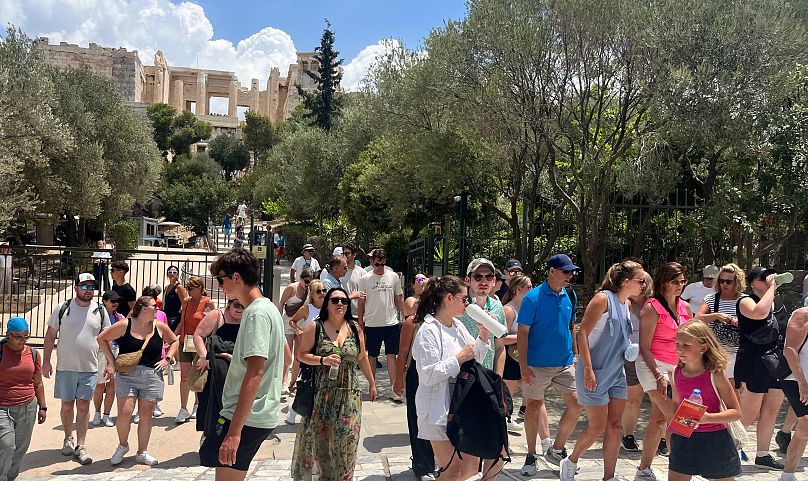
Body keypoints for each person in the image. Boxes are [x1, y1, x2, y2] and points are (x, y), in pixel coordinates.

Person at [200, 248, 285, 481]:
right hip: (257, 412)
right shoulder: (269, 308)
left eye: (221, 279)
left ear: (236, 277)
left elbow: (255, 372)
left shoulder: (256, 313)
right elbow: (281, 358)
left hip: (248, 416)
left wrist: (234, 432)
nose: (220, 286)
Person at [559, 260, 646, 481]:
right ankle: (571, 460)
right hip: (595, 373)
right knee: (596, 427)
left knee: (615, 426)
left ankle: (609, 476)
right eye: (641, 280)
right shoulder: (602, 299)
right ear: (626, 281)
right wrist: (588, 368)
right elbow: (582, 333)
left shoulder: (626, 305)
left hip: (616, 373)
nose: (644, 285)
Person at [411, 275, 492, 481]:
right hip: (437, 408)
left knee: (467, 466)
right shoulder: (428, 330)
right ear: (449, 298)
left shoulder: (457, 325)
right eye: (464, 299)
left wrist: (483, 334)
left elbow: (475, 357)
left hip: (460, 405)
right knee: (451, 469)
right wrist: (459, 358)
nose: (468, 303)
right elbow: (428, 375)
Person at [291, 287, 377, 480]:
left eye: (344, 301)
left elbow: (362, 357)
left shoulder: (355, 328)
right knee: (323, 447)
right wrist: (323, 360)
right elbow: (301, 355)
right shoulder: (315, 327)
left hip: (349, 396)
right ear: (327, 304)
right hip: (323, 396)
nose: (340, 304)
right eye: (335, 300)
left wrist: (372, 383)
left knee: (348, 444)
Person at [517, 254, 582, 475]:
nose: (570, 275)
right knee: (533, 407)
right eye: (566, 271)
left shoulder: (570, 295)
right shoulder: (532, 298)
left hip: (564, 363)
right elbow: (522, 334)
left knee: (577, 404)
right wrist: (524, 366)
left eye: (572, 272)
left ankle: (556, 448)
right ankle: (531, 455)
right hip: (537, 365)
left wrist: (576, 354)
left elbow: (571, 326)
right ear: (552, 271)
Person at [655, 320, 742, 481]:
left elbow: (736, 412)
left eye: (686, 345)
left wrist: (708, 418)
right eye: (677, 344)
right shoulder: (675, 373)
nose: (679, 349)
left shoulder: (715, 375)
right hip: (683, 437)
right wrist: (670, 433)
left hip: (715, 439)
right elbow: (676, 407)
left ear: (703, 347)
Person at [98, 296, 179, 466]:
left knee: (146, 415)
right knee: (124, 413)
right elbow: (102, 338)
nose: (157, 309)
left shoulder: (159, 326)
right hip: (127, 375)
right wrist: (111, 362)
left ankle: (142, 451)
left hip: (152, 375)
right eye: (154, 306)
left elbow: (174, 341)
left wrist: (168, 358)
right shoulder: (125, 325)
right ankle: (123, 445)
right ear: (143, 308)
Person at [42, 273, 111, 465]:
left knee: (84, 406)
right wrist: (46, 361)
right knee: (66, 405)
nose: (89, 290)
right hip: (66, 367)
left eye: (92, 287)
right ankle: (68, 437)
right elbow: (50, 336)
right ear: (76, 287)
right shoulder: (62, 308)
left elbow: (107, 338)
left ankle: (81, 445)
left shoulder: (100, 310)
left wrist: (110, 363)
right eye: (85, 286)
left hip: (90, 367)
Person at [635, 262, 692, 480]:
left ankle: (643, 469)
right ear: (663, 282)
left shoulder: (685, 307)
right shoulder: (652, 307)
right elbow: (644, 347)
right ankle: (681, 468)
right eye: (674, 281)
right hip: (652, 366)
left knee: (659, 420)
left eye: (682, 281)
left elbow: (690, 339)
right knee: (676, 418)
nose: (680, 285)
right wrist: (659, 375)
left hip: (677, 367)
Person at [735, 266, 786, 469]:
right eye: (762, 277)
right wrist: (772, 287)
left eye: (769, 276)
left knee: (771, 411)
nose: (768, 279)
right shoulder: (746, 301)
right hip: (754, 361)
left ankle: (763, 455)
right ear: (752, 283)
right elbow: (759, 313)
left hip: (776, 362)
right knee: (749, 413)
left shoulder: (778, 303)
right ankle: (727, 449)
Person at [392, 273, 435, 479]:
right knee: (417, 419)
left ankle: (437, 459)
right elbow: (402, 352)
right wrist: (398, 380)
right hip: (416, 374)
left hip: (439, 374)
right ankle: (422, 464)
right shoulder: (412, 322)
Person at [0, 317, 46, 481]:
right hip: (3, 408)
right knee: (7, 445)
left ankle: (11, 477)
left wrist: (43, 407)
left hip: (28, 407)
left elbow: (38, 382)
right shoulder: (1, 352)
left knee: (20, 448)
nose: (23, 341)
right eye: (18, 337)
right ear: (8, 335)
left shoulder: (33, 354)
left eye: (26, 336)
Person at [192, 298, 244, 437]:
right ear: (229, 305)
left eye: (243, 306)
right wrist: (204, 356)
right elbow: (198, 335)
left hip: (237, 369)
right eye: (236, 305)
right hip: (214, 370)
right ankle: (207, 437)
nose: (240, 309)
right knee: (210, 405)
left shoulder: (249, 318)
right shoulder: (217, 315)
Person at [358, 249, 405, 401]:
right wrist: (360, 322)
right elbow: (361, 302)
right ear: (372, 262)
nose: (380, 267)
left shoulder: (393, 277)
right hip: (372, 324)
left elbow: (399, 298)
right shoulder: (365, 279)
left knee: (392, 355)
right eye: (377, 264)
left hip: (391, 323)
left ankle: (394, 389)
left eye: (382, 264)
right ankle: (373, 388)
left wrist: (404, 316)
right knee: (372, 356)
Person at [695, 263, 745, 386]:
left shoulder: (744, 300)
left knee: (734, 390)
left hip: (737, 355)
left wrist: (738, 322)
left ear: (737, 282)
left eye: (729, 282)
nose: (724, 284)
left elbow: (754, 323)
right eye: (721, 281)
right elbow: (697, 319)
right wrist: (716, 316)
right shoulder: (711, 299)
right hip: (716, 354)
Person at [285, 279, 327, 425]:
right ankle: (293, 410)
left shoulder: (329, 307)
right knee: (308, 384)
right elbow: (292, 321)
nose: (322, 294)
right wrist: (299, 330)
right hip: (309, 352)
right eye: (318, 291)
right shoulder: (306, 309)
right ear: (312, 294)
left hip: (324, 351)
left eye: (324, 291)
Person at [176, 276, 216, 424]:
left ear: (199, 288)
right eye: (187, 288)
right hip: (185, 342)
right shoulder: (186, 302)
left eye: (190, 288)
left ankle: (197, 404)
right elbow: (182, 322)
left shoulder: (208, 303)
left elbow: (214, 323)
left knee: (197, 376)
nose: (188, 291)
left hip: (200, 344)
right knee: (184, 376)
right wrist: (173, 337)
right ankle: (183, 408)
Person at [621, 271, 653, 453]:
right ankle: (628, 435)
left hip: (653, 356)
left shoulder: (654, 304)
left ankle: (661, 439)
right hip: (631, 356)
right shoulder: (623, 304)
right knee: (633, 398)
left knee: (660, 400)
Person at [458, 258, 506, 372]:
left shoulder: (497, 307)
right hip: (460, 375)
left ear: (494, 281)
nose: (484, 282)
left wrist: (498, 378)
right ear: (468, 280)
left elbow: (500, 347)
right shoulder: (458, 306)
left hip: (486, 376)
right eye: (478, 277)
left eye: (488, 277)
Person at [501, 273, 533, 431]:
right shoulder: (508, 310)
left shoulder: (526, 308)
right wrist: (522, 336)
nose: (532, 289)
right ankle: (505, 419)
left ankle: (510, 416)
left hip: (522, 355)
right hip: (510, 356)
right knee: (508, 391)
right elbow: (502, 338)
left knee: (526, 385)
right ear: (518, 289)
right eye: (529, 287)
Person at [780, 306, 808, 481]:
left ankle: (787, 475)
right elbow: (789, 350)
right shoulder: (803, 315)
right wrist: (802, 383)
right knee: (806, 424)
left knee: (805, 428)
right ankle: (788, 475)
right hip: (797, 378)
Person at [92, 290, 124, 428]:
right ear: (104, 301)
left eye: (117, 301)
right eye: (112, 301)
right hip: (100, 352)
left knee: (112, 385)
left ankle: (106, 414)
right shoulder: (96, 316)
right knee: (99, 385)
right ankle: (97, 413)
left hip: (115, 351)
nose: (115, 303)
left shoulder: (120, 317)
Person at [278, 268, 312, 389]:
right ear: (301, 279)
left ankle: (292, 383)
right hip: (288, 322)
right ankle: (283, 380)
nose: (308, 284)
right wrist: (278, 320)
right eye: (306, 281)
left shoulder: (310, 290)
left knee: (298, 355)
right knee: (287, 353)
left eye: (310, 282)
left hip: (301, 324)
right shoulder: (292, 288)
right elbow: (281, 303)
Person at [340, 243, 366, 312]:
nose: (344, 256)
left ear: (354, 255)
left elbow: (365, 295)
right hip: (342, 313)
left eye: (347, 254)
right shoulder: (339, 272)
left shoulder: (362, 273)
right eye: (343, 254)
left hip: (357, 313)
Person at [163, 265, 188, 332]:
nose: (172, 274)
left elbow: (185, 303)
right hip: (166, 317)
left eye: (174, 272)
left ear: (177, 274)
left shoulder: (179, 287)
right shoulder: (166, 287)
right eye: (170, 272)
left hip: (174, 318)